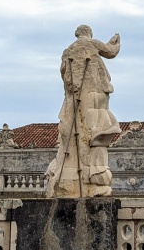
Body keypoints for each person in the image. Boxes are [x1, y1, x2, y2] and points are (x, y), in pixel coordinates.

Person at [45, 25, 121, 197]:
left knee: (76, 132)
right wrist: (116, 42)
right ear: (88, 33)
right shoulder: (91, 43)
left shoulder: (67, 51)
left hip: (73, 97)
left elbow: (63, 73)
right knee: (95, 130)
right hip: (94, 91)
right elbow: (111, 51)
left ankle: (73, 176)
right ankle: (92, 176)